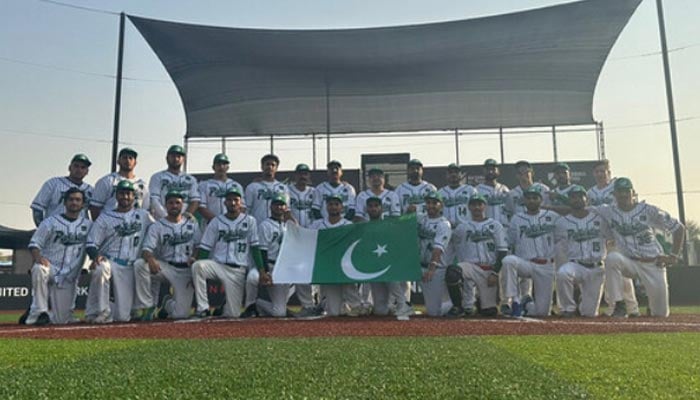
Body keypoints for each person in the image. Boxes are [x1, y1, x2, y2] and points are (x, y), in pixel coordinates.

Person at [596, 177, 685, 318]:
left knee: (660, 314)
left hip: (653, 262)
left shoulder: (649, 210)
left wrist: (673, 256)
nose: (623, 195)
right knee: (612, 258)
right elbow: (580, 209)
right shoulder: (608, 211)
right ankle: (619, 304)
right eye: (620, 191)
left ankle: (653, 307)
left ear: (633, 193)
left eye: (626, 191)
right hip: (630, 262)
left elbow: (679, 228)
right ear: (614, 194)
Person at [85, 180, 154, 323]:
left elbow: (159, 229)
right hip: (111, 261)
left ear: (134, 196)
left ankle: (109, 308)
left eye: (128, 194)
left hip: (130, 266)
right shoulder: (105, 217)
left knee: (122, 317)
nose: (125, 197)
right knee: (100, 268)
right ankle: (102, 311)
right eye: (122, 193)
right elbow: (91, 242)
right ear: (116, 195)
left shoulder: (143, 216)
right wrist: (95, 256)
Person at [191, 187, 265, 318]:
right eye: (229, 200)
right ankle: (203, 308)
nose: (232, 203)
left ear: (241, 202)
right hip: (218, 266)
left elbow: (255, 248)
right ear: (224, 202)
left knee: (232, 314)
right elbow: (205, 248)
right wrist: (195, 271)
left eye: (236, 200)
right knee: (198, 266)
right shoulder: (216, 221)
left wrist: (261, 269)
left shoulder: (250, 221)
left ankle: (225, 305)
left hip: (237, 271)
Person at [24, 188, 92, 325]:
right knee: (38, 269)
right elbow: (34, 244)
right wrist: (38, 258)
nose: (74, 202)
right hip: (51, 267)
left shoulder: (89, 225)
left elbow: (94, 246)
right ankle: (39, 312)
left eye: (78, 200)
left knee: (61, 320)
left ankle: (33, 314)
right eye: (71, 199)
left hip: (69, 274)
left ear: (83, 204)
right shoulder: (50, 222)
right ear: (65, 202)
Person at [133, 191, 201, 320]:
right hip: (166, 267)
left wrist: (194, 258)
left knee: (180, 315)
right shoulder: (157, 226)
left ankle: (167, 303)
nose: (174, 206)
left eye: (177, 203)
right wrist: (151, 258)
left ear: (183, 205)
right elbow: (146, 248)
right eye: (171, 203)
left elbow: (198, 246)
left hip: (185, 270)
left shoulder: (192, 224)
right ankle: (148, 305)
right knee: (140, 264)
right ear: (165, 205)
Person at [587, 159, 640, 317]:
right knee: (608, 273)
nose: (600, 174)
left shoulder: (617, 187)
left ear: (609, 172)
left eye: (603, 171)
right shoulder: (590, 192)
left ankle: (632, 308)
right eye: (597, 171)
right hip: (599, 235)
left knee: (622, 275)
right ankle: (613, 307)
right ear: (593, 174)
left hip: (617, 233)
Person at [500, 186, 559, 317]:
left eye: (535, 198)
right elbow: (509, 242)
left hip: (546, 265)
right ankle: (514, 301)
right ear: (524, 201)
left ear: (541, 200)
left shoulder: (552, 216)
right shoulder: (517, 218)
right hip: (525, 263)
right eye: (528, 198)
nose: (531, 201)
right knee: (508, 261)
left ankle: (527, 304)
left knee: (543, 312)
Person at [447, 194, 508, 318]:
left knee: (489, 312)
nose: (477, 207)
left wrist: (495, 273)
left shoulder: (495, 225)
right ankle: (458, 306)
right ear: (469, 207)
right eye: (473, 205)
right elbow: (452, 244)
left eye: (479, 204)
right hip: (471, 266)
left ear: (484, 206)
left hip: (489, 269)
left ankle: (481, 302)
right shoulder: (462, 227)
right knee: (452, 272)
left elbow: (503, 251)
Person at [554, 186, 609, 317]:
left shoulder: (600, 219)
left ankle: (582, 303)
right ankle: (569, 308)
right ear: (569, 200)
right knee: (562, 273)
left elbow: (611, 238)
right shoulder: (562, 222)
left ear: (587, 200)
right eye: (573, 197)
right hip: (576, 264)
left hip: (597, 267)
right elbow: (560, 245)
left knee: (589, 314)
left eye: (580, 196)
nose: (576, 199)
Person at [310, 194, 364, 316]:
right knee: (333, 312)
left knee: (356, 306)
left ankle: (358, 310)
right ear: (326, 207)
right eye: (330, 204)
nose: (333, 207)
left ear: (341, 207)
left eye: (336, 204)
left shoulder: (348, 224)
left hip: (345, 267)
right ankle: (333, 306)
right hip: (328, 268)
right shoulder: (317, 224)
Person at [364, 196, 413, 320]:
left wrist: (408, 214)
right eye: (371, 206)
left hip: (390, 268)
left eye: (376, 206)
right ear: (366, 209)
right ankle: (391, 305)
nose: (373, 208)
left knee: (389, 273)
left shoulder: (389, 224)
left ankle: (402, 304)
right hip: (373, 270)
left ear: (381, 208)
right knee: (381, 311)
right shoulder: (363, 227)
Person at [243, 194, 293, 317]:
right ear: (271, 207)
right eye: (276, 204)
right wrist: (265, 272)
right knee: (252, 278)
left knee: (279, 313)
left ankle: (259, 304)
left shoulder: (290, 227)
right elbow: (262, 250)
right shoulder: (265, 225)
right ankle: (250, 306)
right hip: (267, 265)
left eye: (282, 205)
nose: (279, 207)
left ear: (286, 208)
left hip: (281, 269)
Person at [287, 163, 319, 315]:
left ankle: (318, 301)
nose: (303, 176)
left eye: (305, 173)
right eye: (300, 173)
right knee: (299, 269)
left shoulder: (315, 191)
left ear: (309, 176)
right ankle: (307, 304)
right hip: (294, 235)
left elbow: (318, 212)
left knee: (314, 269)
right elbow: (285, 211)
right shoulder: (287, 190)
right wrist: (296, 227)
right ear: (295, 175)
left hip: (311, 235)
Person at [31, 153, 93, 227]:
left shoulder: (90, 190)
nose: (79, 170)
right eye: (76, 166)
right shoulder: (53, 183)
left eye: (83, 167)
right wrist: (42, 229)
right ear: (69, 168)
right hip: (54, 229)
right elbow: (37, 208)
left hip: (80, 232)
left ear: (87, 172)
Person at [417, 191, 452, 317]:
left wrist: (431, 269)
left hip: (436, 268)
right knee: (398, 272)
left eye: (434, 203)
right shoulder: (420, 218)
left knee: (434, 312)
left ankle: (457, 302)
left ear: (441, 205)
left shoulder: (444, 224)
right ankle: (401, 304)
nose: (431, 205)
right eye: (428, 202)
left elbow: (438, 250)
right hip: (418, 266)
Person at [90, 148, 149, 221]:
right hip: (110, 225)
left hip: (134, 226)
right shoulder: (107, 181)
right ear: (118, 161)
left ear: (135, 163)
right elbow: (95, 208)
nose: (127, 160)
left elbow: (145, 209)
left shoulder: (142, 185)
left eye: (131, 158)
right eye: (124, 158)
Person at [148, 145, 200, 220]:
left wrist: (184, 217)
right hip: (162, 220)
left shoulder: (191, 179)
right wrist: (167, 217)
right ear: (167, 158)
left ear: (183, 159)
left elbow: (195, 200)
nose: (176, 159)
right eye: (173, 156)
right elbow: (154, 200)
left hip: (183, 221)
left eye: (179, 156)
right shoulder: (157, 177)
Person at [198, 153, 245, 223]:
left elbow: (242, 207)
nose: (221, 167)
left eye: (224, 164)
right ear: (213, 167)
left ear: (228, 167)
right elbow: (202, 207)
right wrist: (218, 221)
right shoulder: (204, 185)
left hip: (232, 224)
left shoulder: (236, 185)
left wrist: (231, 220)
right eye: (218, 164)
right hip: (211, 225)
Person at [244, 154, 289, 224]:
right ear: (262, 166)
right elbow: (246, 210)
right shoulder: (252, 187)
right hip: (257, 226)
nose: (270, 167)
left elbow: (286, 211)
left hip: (277, 228)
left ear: (276, 168)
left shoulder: (283, 188)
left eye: (273, 165)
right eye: (267, 164)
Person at [439, 163, 476, 228]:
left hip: (466, 227)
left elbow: (477, 210)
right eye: (450, 172)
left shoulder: (470, 190)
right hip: (446, 228)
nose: (453, 174)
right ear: (446, 175)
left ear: (461, 174)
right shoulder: (440, 192)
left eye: (456, 172)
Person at [475, 159, 510, 227]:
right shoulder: (477, 190)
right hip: (486, 227)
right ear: (484, 171)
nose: (490, 172)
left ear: (498, 171)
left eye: (493, 169)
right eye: (488, 169)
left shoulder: (505, 189)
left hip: (504, 227)